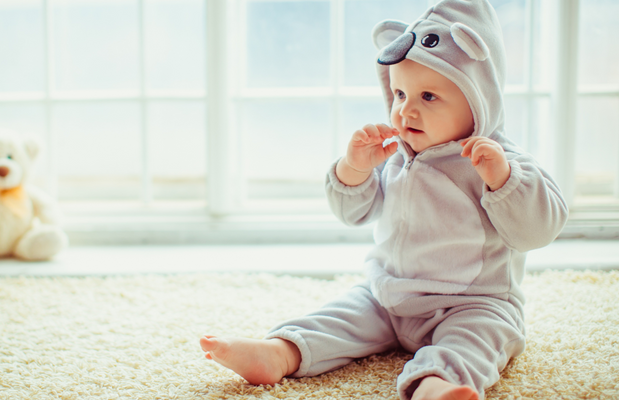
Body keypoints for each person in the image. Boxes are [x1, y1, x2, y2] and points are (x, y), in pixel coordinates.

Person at [200, 0, 569, 399]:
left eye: (428, 96)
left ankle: (437, 384)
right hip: (388, 296)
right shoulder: (395, 153)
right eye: (398, 93)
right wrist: (354, 168)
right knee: (339, 316)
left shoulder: (497, 161)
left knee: (477, 340)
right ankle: (279, 352)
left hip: (472, 304)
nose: (405, 110)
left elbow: (539, 230)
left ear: (477, 98)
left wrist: (505, 180)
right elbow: (352, 212)